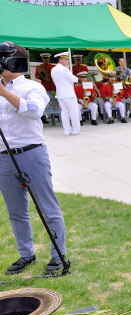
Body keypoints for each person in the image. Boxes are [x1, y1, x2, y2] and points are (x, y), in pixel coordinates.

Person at [0, 42, 70, 276]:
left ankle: (57, 255)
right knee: (16, 210)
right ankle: (26, 254)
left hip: (31, 153)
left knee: (47, 207)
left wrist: (4, 92)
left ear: (14, 62)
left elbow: (34, 111)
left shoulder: (32, 87)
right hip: (3, 156)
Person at [51, 52, 81, 136]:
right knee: (73, 112)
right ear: (61, 60)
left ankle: (67, 130)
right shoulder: (64, 69)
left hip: (60, 94)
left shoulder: (54, 69)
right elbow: (74, 79)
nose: (68, 61)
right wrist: (77, 77)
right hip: (68, 94)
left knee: (64, 112)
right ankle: (76, 130)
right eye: (66, 59)